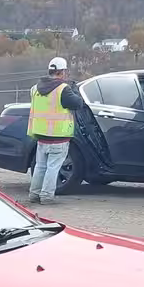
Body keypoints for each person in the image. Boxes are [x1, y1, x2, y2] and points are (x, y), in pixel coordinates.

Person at [27, 57, 86, 206]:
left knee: (40, 166)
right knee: (53, 167)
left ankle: (34, 194)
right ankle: (46, 196)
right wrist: (74, 89)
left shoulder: (35, 89)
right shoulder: (63, 89)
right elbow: (78, 104)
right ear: (62, 72)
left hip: (41, 135)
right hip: (59, 137)